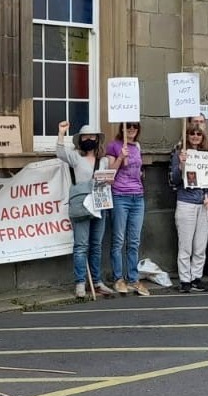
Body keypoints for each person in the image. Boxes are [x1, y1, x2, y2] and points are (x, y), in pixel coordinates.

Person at [56, 121, 114, 298]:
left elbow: (110, 177)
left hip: (99, 204)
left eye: (92, 136)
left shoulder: (104, 161)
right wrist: (61, 133)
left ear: (97, 139)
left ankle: (96, 281)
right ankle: (80, 282)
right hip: (81, 205)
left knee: (96, 246)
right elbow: (60, 152)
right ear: (80, 140)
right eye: (85, 136)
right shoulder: (75, 157)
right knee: (81, 246)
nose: (89, 139)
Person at [171, 113, 208, 278]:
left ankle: (196, 278)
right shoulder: (180, 152)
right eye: (192, 133)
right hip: (186, 202)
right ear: (187, 135)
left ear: (203, 136)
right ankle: (185, 280)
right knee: (185, 246)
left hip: (205, 203)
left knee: (200, 246)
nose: (195, 136)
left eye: (198, 134)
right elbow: (173, 180)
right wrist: (181, 165)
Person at [106, 122, 148, 296]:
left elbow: (138, 170)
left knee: (134, 241)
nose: (131, 129)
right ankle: (118, 278)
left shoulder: (137, 146)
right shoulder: (113, 146)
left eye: (135, 127)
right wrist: (120, 158)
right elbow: (109, 173)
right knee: (118, 240)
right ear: (122, 128)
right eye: (128, 126)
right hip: (120, 196)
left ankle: (133, 278)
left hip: (137, 196)